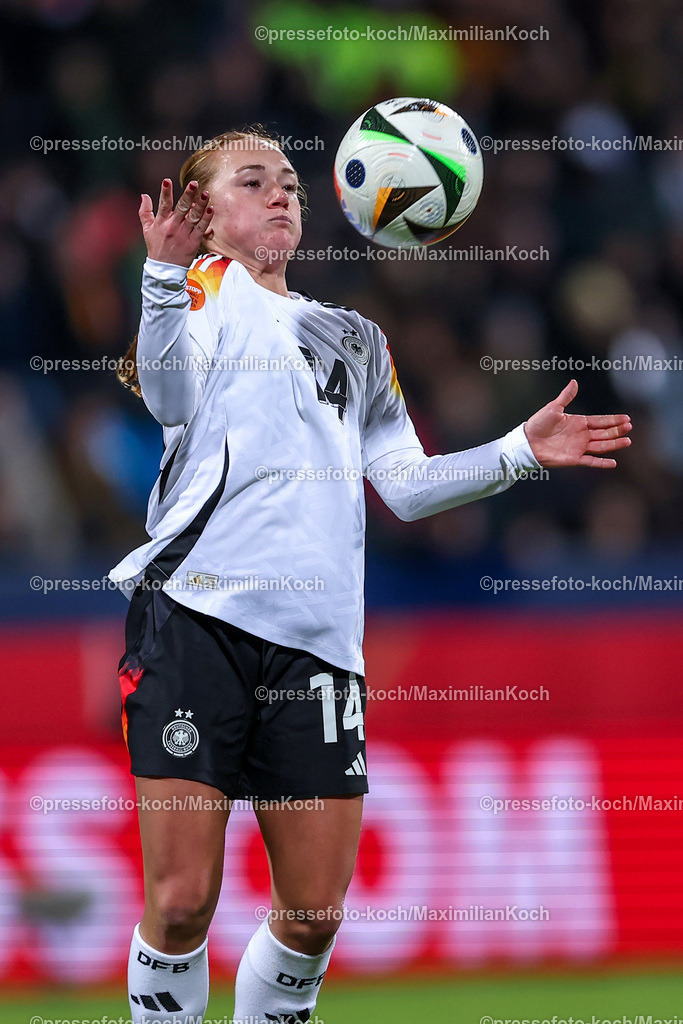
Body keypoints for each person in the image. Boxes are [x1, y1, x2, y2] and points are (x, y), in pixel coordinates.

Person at [110, 128, 632, 1024]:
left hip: (318, 651)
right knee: (183, 900)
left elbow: (406, 487)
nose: (280, 194)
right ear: (205, 214)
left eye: (288, 183)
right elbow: (165, 396)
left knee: (313, 914)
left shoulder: (352, 336)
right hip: (195, 622)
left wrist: (517, 451)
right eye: (252, 181)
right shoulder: (199, 292)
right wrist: (160, 281)